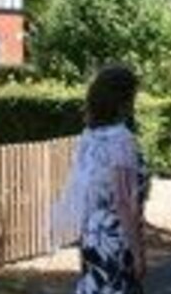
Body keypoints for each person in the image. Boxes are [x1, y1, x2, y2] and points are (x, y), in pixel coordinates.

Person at [51, 65, 151, 294]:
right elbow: (124, 201)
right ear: (123, 100)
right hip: (115, 237)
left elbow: (86, 189)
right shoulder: (121, 140)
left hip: (91, 233)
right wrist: (138, 252)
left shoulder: (90, 135)